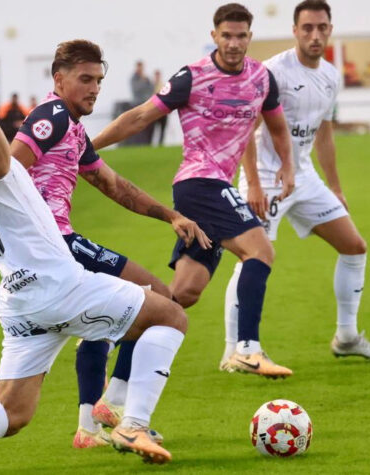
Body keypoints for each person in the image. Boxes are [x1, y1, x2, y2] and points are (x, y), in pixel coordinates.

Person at [0, 63, 188, 474]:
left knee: (13, 411)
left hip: (19, 299)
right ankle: (133, 425)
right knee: (170, 314)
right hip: (58, 285)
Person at [0, 40, 209, 449]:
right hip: (55, 243)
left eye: (99, 80)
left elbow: (112, 185)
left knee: (102, 319)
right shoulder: (52, 115)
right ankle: (118, 407)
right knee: (161, 297)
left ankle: (89, 426)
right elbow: (5, 170)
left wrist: (170, 215)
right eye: (85, 79)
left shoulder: (72, 127)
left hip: (52, 244)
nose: (94, 88)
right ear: (59, 80)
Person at [93, 3, 296, 379]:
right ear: (214, 36)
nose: (234, 43)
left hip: (213, 187)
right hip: (199, 184)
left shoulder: (262, 79)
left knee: (182, 294)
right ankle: (247, 349)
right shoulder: (193, 77)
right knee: (261, 251)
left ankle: (110, 339)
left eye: (241, 36)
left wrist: (287, 165)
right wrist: (90, 147)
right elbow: (139, 116)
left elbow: (277, 127)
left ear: (250, 37)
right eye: (227, 35)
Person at [223, 0, 370, 364]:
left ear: (330, 29)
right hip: (266, 179)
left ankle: (346, 337)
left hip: (304, 178)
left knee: (354, 246)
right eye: (308, 28)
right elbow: (245, 132)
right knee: (252, 259)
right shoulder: (272, 73)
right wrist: (251, 183)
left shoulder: (331, 75)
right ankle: (233, 350)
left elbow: (324, 134)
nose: (315, 35)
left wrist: (335, 187)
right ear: (295, 30)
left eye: (322, 28)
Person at [152, 70, 168, 146]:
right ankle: (151, 144)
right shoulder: (151, 85)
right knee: (153, 129)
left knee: (162, 129)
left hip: (162, 110)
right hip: (153, 110)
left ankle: (160, 144)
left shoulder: (163, 85)